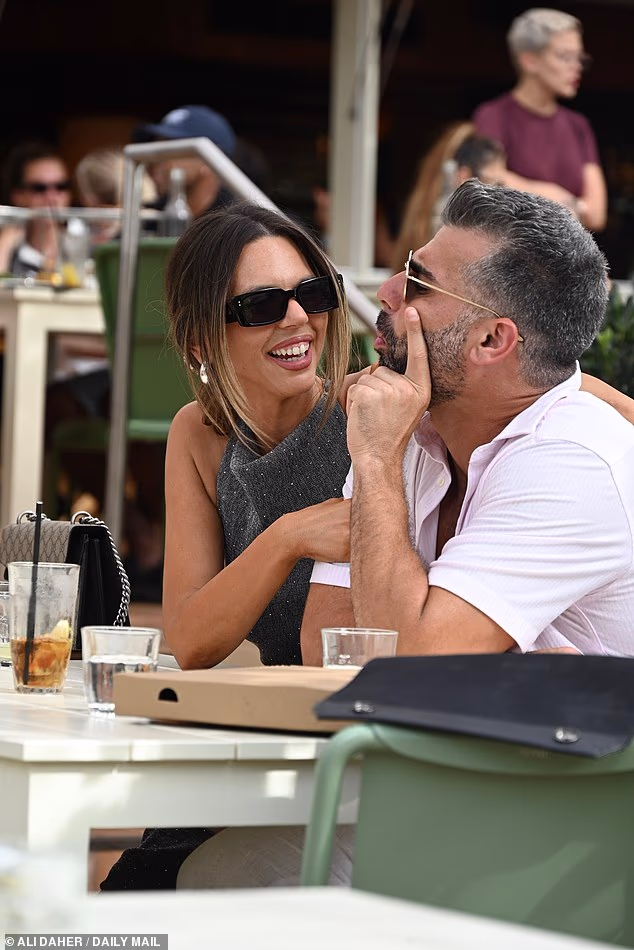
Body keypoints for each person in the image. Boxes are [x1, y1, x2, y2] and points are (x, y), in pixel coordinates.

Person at [99, 199, 354, 890]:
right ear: (199, 341)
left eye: (311, 293)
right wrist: (288, 536)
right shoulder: (199, 433)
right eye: (262, 305)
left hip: (349, 750)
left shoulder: (363, 412)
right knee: (133, 892)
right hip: (262, 739)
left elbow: (554, 391)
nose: (297, 318)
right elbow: (191, 639)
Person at [301, 179, 634, 662]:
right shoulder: (408, 419)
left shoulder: (571, 462)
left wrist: (376, 460)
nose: (389, 292)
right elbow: (326, 646)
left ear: (491, 341)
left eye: (418, 284)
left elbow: (405, 659)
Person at [472, 8, 606, 232]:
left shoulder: (578, 125)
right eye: (565, 57)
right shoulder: (494, 115)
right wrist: (562, 199)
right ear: (529, 61)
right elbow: (488, 180)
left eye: (580, 58)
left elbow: (597, 214)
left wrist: (523, 187)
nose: (576, 67)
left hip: (570, 250)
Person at [390, 121, 507, 274]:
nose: (500, 192)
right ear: (465, 176)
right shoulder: (457, 223)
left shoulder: (428, 217)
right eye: (494, 182)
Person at [133, 104, 238, 218]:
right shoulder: (151, 216)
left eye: (170, 149)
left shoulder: (238, 221)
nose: (155, 160)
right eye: (155, 149)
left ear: (209, 159)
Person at [0, 140, 72, 275]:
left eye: (61, 187)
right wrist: (4, 245)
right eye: (39, 188)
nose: (52, 197)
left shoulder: (88, 239)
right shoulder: (8, 247)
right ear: (18, 196)